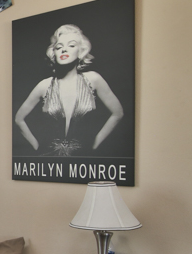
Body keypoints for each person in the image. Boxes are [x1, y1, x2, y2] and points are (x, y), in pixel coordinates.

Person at [14, 24, 124, 156]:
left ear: (81, 51)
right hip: (50, 159)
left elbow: (117, 113)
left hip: (84, 159)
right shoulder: (44, 85)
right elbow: (19, 119)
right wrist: (38, 148)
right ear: (53, 53)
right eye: (59, 47)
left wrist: (95, 145)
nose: (64, 50)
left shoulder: (93, 79)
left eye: (71, 45)